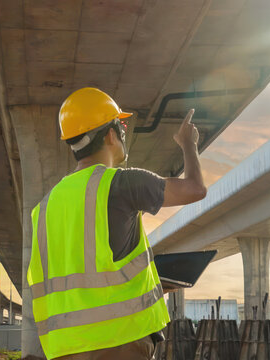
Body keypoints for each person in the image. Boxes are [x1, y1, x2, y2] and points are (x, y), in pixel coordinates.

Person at [27, 87, 207, 360]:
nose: (124, 131)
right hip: (119, 343)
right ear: (112, 134)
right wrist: (188, 145)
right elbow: (195, 189)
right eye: (121, 124)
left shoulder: (44, 207)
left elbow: (85, 278)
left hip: (63, 349)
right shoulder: (122, 183)